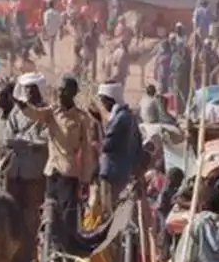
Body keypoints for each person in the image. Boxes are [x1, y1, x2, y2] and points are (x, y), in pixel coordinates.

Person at [18, 76, 90, 242]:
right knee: (50, 210)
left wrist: (85, 178)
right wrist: (22, 105)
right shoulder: (52, 112)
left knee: (68, 214)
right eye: (59, 89)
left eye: (64, 89)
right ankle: (49, 246)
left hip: (69, 172)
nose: (60, 92)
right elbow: (35, 114)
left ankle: (67, 248)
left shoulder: (81, 118)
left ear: (73, 93)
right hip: (52, 170)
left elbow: (86, 150)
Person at [0, 79, 48, 262]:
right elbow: (7, 137)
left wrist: (25, 141)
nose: (30, 93)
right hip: (14, 172)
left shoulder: (45, 113)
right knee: (11, 220)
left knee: (30, 222)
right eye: (27, 90)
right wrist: (22, 141)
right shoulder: (16, 112)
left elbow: (45, 139)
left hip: (34, 173)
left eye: (33, 90)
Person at [96, 81, 144, 213]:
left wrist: (98, 127)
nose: (103, 105)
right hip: (123, 172)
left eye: (103, 101)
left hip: (112, 172)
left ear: (111, 99)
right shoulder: (129, 116)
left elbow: (107, 144)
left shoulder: (120, 118)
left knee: (109, 210)